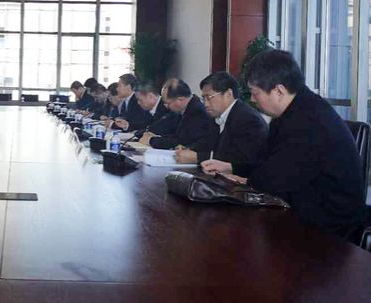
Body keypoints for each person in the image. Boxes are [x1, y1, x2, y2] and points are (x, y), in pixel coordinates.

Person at [202, 50, 366, 238]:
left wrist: (247, 180)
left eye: (255, 93)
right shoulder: (293, 111)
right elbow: (267, 163)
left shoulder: (309, 121)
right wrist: (231, 167)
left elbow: (272, 180)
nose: (252, 100)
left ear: (278, 91)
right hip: (300, 210)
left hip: (329, 230)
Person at [174, 72, 267, 165]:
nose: (205, 104)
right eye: (203, 98)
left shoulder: (248, 119)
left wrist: (198, 157)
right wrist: (189, 149)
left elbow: (241, 159)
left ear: (228, 94)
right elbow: (207, 143)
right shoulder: (216, 116)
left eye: (209, 97)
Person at [139, 78, 217, 152]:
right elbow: (174, 135)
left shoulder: (197, 112)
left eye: (168, 103)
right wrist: (156, 137)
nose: (166, 106)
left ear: (180, 99)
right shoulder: (183, 110)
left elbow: (182, 141)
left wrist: (151, 140)